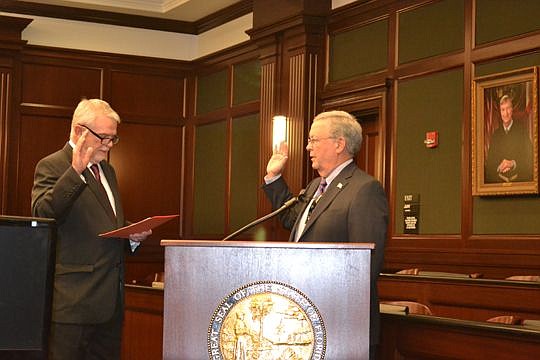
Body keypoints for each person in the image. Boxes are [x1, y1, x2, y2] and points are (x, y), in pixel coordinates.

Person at [263, 110, 388, 360]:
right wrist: (274, 177)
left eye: (313, 140)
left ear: (339, 143)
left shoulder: (364, 189)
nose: (308, 147)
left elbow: (366, 264)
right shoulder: (315, 186)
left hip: (341, 322)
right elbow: (292, 219)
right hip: (306, 316)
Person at [31, 98, 151, 359]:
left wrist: (131, 234)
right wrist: (76, 170)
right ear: (78, 131)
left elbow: (105, 223)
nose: (109, 145)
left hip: (110, 304)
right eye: (103, 137)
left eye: (113, 139)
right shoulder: (51, 165)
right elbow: (43, 215)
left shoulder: (108, 171)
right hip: (72, 305)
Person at [485, 94, 533, 183]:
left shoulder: (521, 131)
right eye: (503, 110)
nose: (506, 113)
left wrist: (512, 164)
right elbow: (489, 165)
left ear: (512, 110)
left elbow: (530, 159)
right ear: (500, 112)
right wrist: (500, 167)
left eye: (508, 108)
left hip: (518, 182)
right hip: (499, 184)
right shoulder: (496, 135)